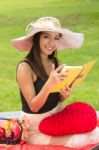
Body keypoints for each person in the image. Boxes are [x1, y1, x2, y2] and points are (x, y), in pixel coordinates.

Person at [11, 17, 99, 148]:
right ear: (37, 38)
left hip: (57, 117)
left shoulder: (54, 62)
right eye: (47, 36)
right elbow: (34, 107)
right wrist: (49, 84)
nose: (51, 43)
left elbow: (54, 98)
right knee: (79, 140)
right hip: (36, 128)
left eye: (56, 38)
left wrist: (63, 96)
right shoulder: (25, 68)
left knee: (92, 129)